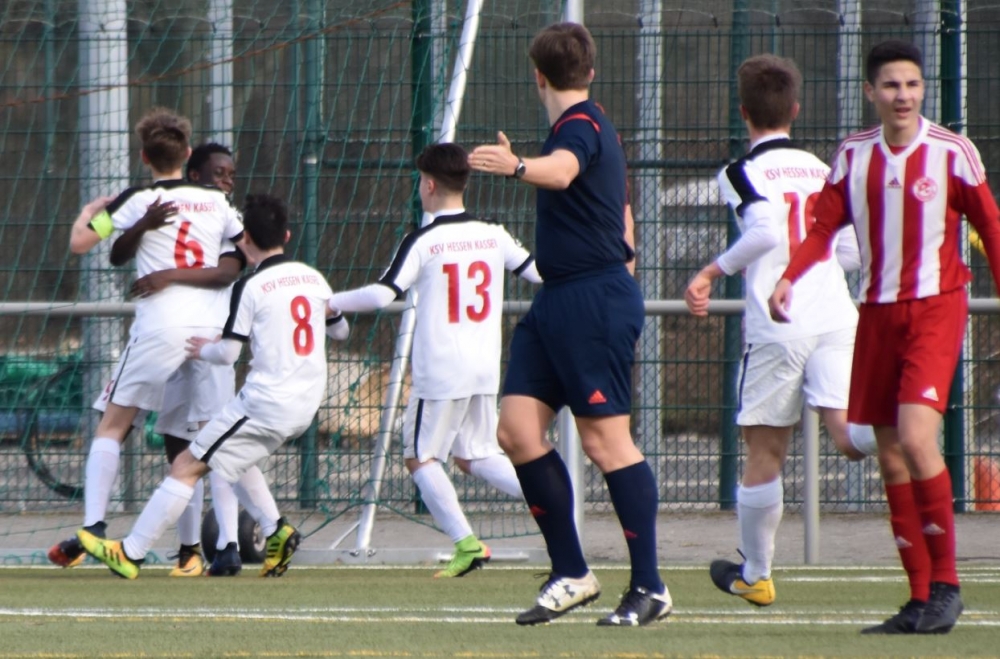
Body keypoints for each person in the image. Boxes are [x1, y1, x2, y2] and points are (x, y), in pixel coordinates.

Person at [769, 40, 1000, 635]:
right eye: (892, 85)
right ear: (872, 93)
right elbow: (823, 226)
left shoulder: (952, 152)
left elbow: (991, 227)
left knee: (919, 439)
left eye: (913, 85)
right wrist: (790, 277)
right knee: (890, 453)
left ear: (923, 91)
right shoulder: (852, 155)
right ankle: (919, 599)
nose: (903, 95)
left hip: (935, 308)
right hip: (876, 312)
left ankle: (948, 586)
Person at [468, 22, 669, 627]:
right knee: (516, 431)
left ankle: (651, 587)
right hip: (559, 300)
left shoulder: (581, 127)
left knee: (608, 443)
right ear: (590, 69)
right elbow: (623, 213)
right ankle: (572, 573)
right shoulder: (583, 129)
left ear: (538, 76)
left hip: (591, 301)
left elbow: (557, 172)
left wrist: (514, 166)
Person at [684, 54, 877, 608]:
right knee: (847, 437)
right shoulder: (822, 169)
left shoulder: (740, 171)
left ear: (743, 112)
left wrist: (709, 272)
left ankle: (758, 574)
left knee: (765, 449)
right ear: (795, 109)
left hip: (779, 324)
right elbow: (849, 251)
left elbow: (766, 230)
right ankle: (897, 433)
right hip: (836, 317)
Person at [77, 193, 349, 579]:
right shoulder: (314, 279)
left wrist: (202, 349)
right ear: (287, 235)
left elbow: (227, 356)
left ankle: (130, 552)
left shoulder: (251, 288)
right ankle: (276, 531)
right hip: (306, 404)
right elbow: (340, 331)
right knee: (231, 461)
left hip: (265, 403)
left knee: (186, 465)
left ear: (246, 240)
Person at [328, 143, 536, 578]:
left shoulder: (425, 240)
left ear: (428, 184)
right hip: (483, 367)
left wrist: (328, 301)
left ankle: (467, 543)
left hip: (441, 371)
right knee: (472, 455)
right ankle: (556, 496)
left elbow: (382, 295)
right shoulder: (494, 234)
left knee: (420, 458)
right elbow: (541, 272)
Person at [52, 109, 243, 573]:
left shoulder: (137, 199)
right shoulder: (218, 203)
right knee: (193, 443)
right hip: (210, 333)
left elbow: (81, 243)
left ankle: (94, 526)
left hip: (161, 326)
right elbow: (242, 252)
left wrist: (91, 212)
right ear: (189, 153)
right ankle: (197, 551)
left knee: (113, 425)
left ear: (144, 156)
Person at [108, 142, 270, 578]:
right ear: (192, 173)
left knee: (214, 443)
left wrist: (166, 275)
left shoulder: (226, 221)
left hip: (211, 343)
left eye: (231, 174)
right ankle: (189, 550)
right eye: (219, 173)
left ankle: (234, 542)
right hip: (177, 342)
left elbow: (225, 272)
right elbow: (113, 245)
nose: (226, 180)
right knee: (179, 444)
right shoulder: (181, 213)